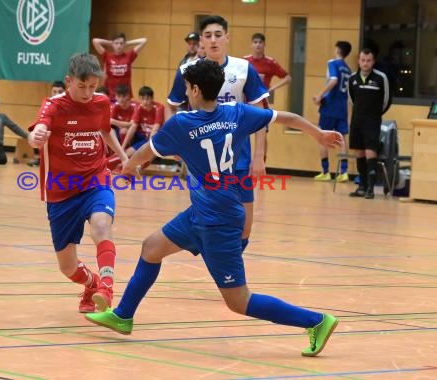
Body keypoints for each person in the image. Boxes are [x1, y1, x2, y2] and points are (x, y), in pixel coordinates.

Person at [85, 59, 342, 357]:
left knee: (238, 300)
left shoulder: (183, 124)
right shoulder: (237, 113)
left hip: (217, 221)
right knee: (151, 247)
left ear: (194, 89)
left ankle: (317, 322)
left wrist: (128, 166)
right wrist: (318, 134)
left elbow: (147, 151)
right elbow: (288, 117)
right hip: (204, 213)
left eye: (186, 88)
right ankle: (123, 316)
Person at [28, 53, 128, 313]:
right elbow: (37, 131)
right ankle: (92, 283)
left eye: (93, 86)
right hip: (61, 190)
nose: (87, 93)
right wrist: (36, 136)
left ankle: (107, 286)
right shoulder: (53, 105)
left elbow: (105, 130)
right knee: (67, 267)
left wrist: (125, 158)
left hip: (95, 179)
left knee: (102, 226)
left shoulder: (102, 102)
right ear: (69, 81)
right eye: (82, 86)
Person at [165, 15, 269, 255]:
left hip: (239, 158)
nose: (213, 40)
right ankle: (222, 267)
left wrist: (259, 155)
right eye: (208, 36)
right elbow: (171, 105)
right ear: (201, 40)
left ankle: (230, 271)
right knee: (206, 218)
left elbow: (263, 112)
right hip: (202, 161)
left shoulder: (242, 69)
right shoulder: (186, 71)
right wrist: (178, 143)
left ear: (227, 38)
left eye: (218, 35)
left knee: (245, 225)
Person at [348, 47, 392, 199]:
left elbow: (386, 100)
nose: (365, 63)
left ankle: (371, 189)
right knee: (359, 152)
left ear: (373, 62)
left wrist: (375, 114)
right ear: (359, 61)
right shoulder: (352, 79)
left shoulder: (381, 78)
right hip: (357, 120)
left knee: (370, 152)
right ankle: (362, 186)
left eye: (368, 60)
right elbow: (352, 99)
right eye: (362, 60)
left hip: (372, 120)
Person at [312, 41, 352, 182]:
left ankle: (326, 172)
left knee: (322, 135)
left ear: (338, 50)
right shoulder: (348, 69)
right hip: (342, 107)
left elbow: (334, 80)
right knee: (342, 139)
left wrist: (320, 96)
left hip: (330, 107)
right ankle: (344, 172)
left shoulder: (333, 63)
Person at [92, 33, 148, 102]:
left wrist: (127, 43)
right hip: (110, 95)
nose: (119, 45)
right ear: (113, 44)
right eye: (116, 43)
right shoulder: (107, 56)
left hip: (125, 95)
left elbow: (144, 41)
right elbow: (95, 41)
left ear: (124, 44)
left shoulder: (129, 56)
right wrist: (111, 43)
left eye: (121, 43)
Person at [243, 33, 291, 108]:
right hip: (246, 100)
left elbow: (287, 78)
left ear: (264, 44)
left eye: (260, 42)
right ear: (252, 45)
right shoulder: (245, 60)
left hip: (262, 100)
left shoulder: (270, 62)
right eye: (255, 42)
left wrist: (272, 88)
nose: (258, 45)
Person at [29, 81, 68, 167]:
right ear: (51, 92)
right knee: (38, 133)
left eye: (60, 92)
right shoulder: (47, 105)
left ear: (65, 92)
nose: (57, 94)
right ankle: (39, 158)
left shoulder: (69, 107)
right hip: (50, 140)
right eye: (54, 91)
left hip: (65, 142)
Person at [122, 86, 164, 158]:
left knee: (139, 156)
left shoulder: (159, 108)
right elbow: (133, 127)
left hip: (154, 138)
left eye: (147, 99)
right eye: (142, 99)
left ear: (152, 98)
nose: (145, 102)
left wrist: (148, 148)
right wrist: (122, 147)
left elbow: (155, 129)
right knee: (125, 153)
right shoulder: (139, 107)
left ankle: (148, 157)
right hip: (142, 137)